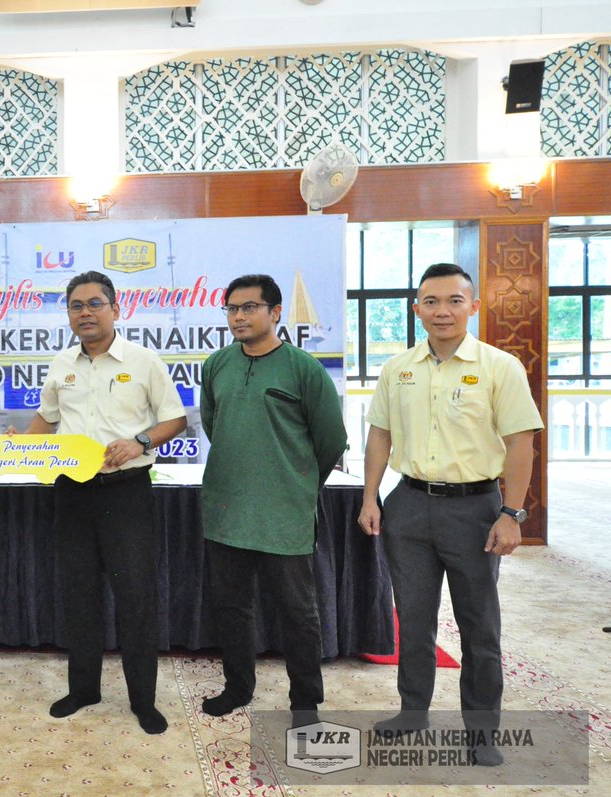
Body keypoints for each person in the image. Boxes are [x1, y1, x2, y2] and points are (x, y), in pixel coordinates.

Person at [358, 262, 543, 766]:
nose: (443, 311)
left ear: (473, 307)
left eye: (454, 301)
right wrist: (371, 495)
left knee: (479, 625)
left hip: (475, 510)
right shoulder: (399, 368)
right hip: (409, 507)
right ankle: (412, 713)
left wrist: (511, 513)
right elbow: (380, 433)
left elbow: (521, 443)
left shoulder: (499, 366)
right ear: (416, 309)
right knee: (413, 621)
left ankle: (482, 733)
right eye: (431, 302)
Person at [15, 270, 187, 735]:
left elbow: (176, 419)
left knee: (135, 599)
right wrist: (13, 446)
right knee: (79, 595)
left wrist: (139, 442)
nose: (85, 313)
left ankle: (142, 701)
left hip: (125, 493)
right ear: (68, 314)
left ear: (115, 308)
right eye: (76, 305)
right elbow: (45, 421)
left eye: (94, 304)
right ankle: (84, 689)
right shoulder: (61, 364)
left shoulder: (142, 360)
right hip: (72, 493)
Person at [198, 274, 347, 725]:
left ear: (275, 312)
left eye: (248, 307)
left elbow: (331, 440)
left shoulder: (303, 368)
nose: (238, 316)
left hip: (284, 512)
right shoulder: (217, 365)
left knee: (298, 613)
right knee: (232, 607)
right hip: (226, 509)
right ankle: (238, 688)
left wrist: (296, 482)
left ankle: (305, 703)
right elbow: (213, 425)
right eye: (231, 309)